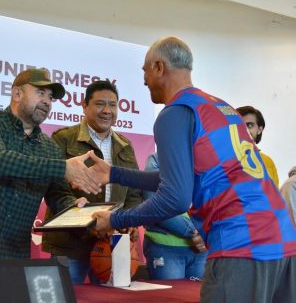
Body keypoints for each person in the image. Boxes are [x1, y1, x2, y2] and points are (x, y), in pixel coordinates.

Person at [77, 37, 296, 302]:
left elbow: (175, 197)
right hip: (283, 240)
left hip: (241, 242)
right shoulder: (220, 107)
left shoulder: (175, 113)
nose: (144, 80)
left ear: (159, 66)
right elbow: (183, 177)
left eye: (144, 70)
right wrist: (114, 173)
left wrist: (115, 220)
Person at [0, 68, 98, 259]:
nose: (47, 102)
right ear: (17, 93)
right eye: (40, 93)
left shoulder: (49, 147)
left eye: (50, 97)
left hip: (13, 254)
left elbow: (57, 194)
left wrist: (76, 207)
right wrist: (63, 167)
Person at [42, 80, 142, 283]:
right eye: (100, 104)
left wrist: (130, 220)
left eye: (112, 105)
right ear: (85, 106)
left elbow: (134, 193)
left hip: (113, 243)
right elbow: (55, 190)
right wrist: (91, 224)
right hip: (69, 245)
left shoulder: (125, 145)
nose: (107, 111)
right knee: (69, 297)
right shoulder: (63, 139)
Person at [143, 153, 207, 280]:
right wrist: (194, 231)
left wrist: (206, 233)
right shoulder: (157, 160)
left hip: (201, 250)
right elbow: (155, 207)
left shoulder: (210, 161)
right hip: (166, 248)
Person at [236, 106, 279, 187]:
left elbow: (275, 195)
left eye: (249, 125)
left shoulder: (268, 162)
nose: (245, 129)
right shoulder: (223, 158)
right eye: (240, 125)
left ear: (259, 129)